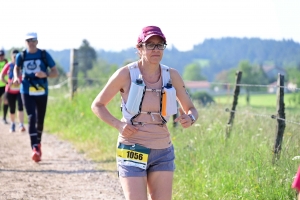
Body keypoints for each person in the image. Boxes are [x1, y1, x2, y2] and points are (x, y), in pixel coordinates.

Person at [91, 26, 198, 200]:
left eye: (160, 45)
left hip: (163, 150)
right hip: (132, 147)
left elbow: (192, 109)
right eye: (150, 45)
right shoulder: (125, 74)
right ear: (139, 48)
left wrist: (190, 118)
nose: (156, 49)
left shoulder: (172, 75)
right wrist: (119, 125)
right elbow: (97, 105)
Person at [13, 32, 58, 162]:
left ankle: (38, 144)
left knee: (40, 119)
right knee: (31, 117)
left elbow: (55, 72)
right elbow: (16, 68)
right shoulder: (22, 56)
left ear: (37, 41)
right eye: (28, 41)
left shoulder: (44, 54)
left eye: (33, 40)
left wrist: (46, 74)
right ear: (25, 43)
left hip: (42, 91)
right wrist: (16, 77)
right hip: (26, 90)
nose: (31, 43)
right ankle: (34, 148)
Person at [0, 49, 26, 133]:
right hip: (10, 90)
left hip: (20, 90)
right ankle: (13, 124)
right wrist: (8, 83)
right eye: (14, 56)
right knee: (12, 108)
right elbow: (1, 76)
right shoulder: (8, 65)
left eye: (16, 56)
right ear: (11, 57)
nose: (15, 58)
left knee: (20, 107)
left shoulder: (22, 65)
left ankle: (21, 124)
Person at [0, 49, 9, 124]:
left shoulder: (7, 63)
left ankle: (4, 118)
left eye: (2, 55)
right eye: (0, 55)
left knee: (6, 101)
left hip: (5, 85)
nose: (1, 57)